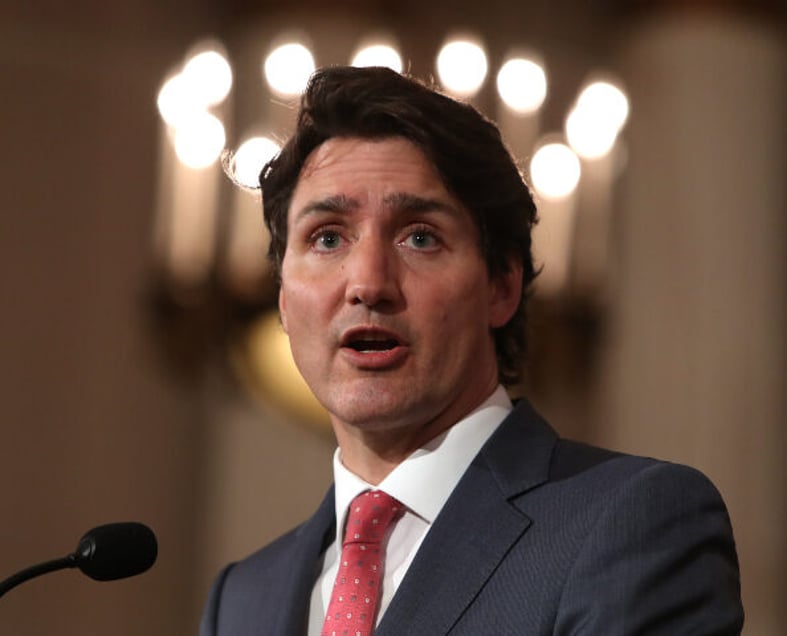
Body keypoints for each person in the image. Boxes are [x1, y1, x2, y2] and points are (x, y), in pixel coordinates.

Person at [200, 65, 743, 635]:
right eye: (328, 237)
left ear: (501, 286)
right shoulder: (241, 599)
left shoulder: (634, 522)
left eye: (420, 237)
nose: (368, 282)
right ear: (284, 299)